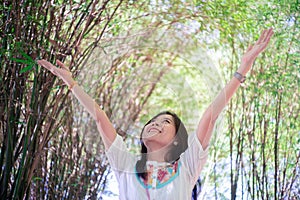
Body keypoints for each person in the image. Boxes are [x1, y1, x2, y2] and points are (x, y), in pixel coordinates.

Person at [37, 28, 273, 199]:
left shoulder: (187, 167)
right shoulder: (125, 164)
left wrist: (242, 69)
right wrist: (71, 84)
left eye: (166, 122)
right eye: (153, 121)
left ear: (177, 139)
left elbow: (210, 117)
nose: (155, 124)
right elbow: (100, 117)